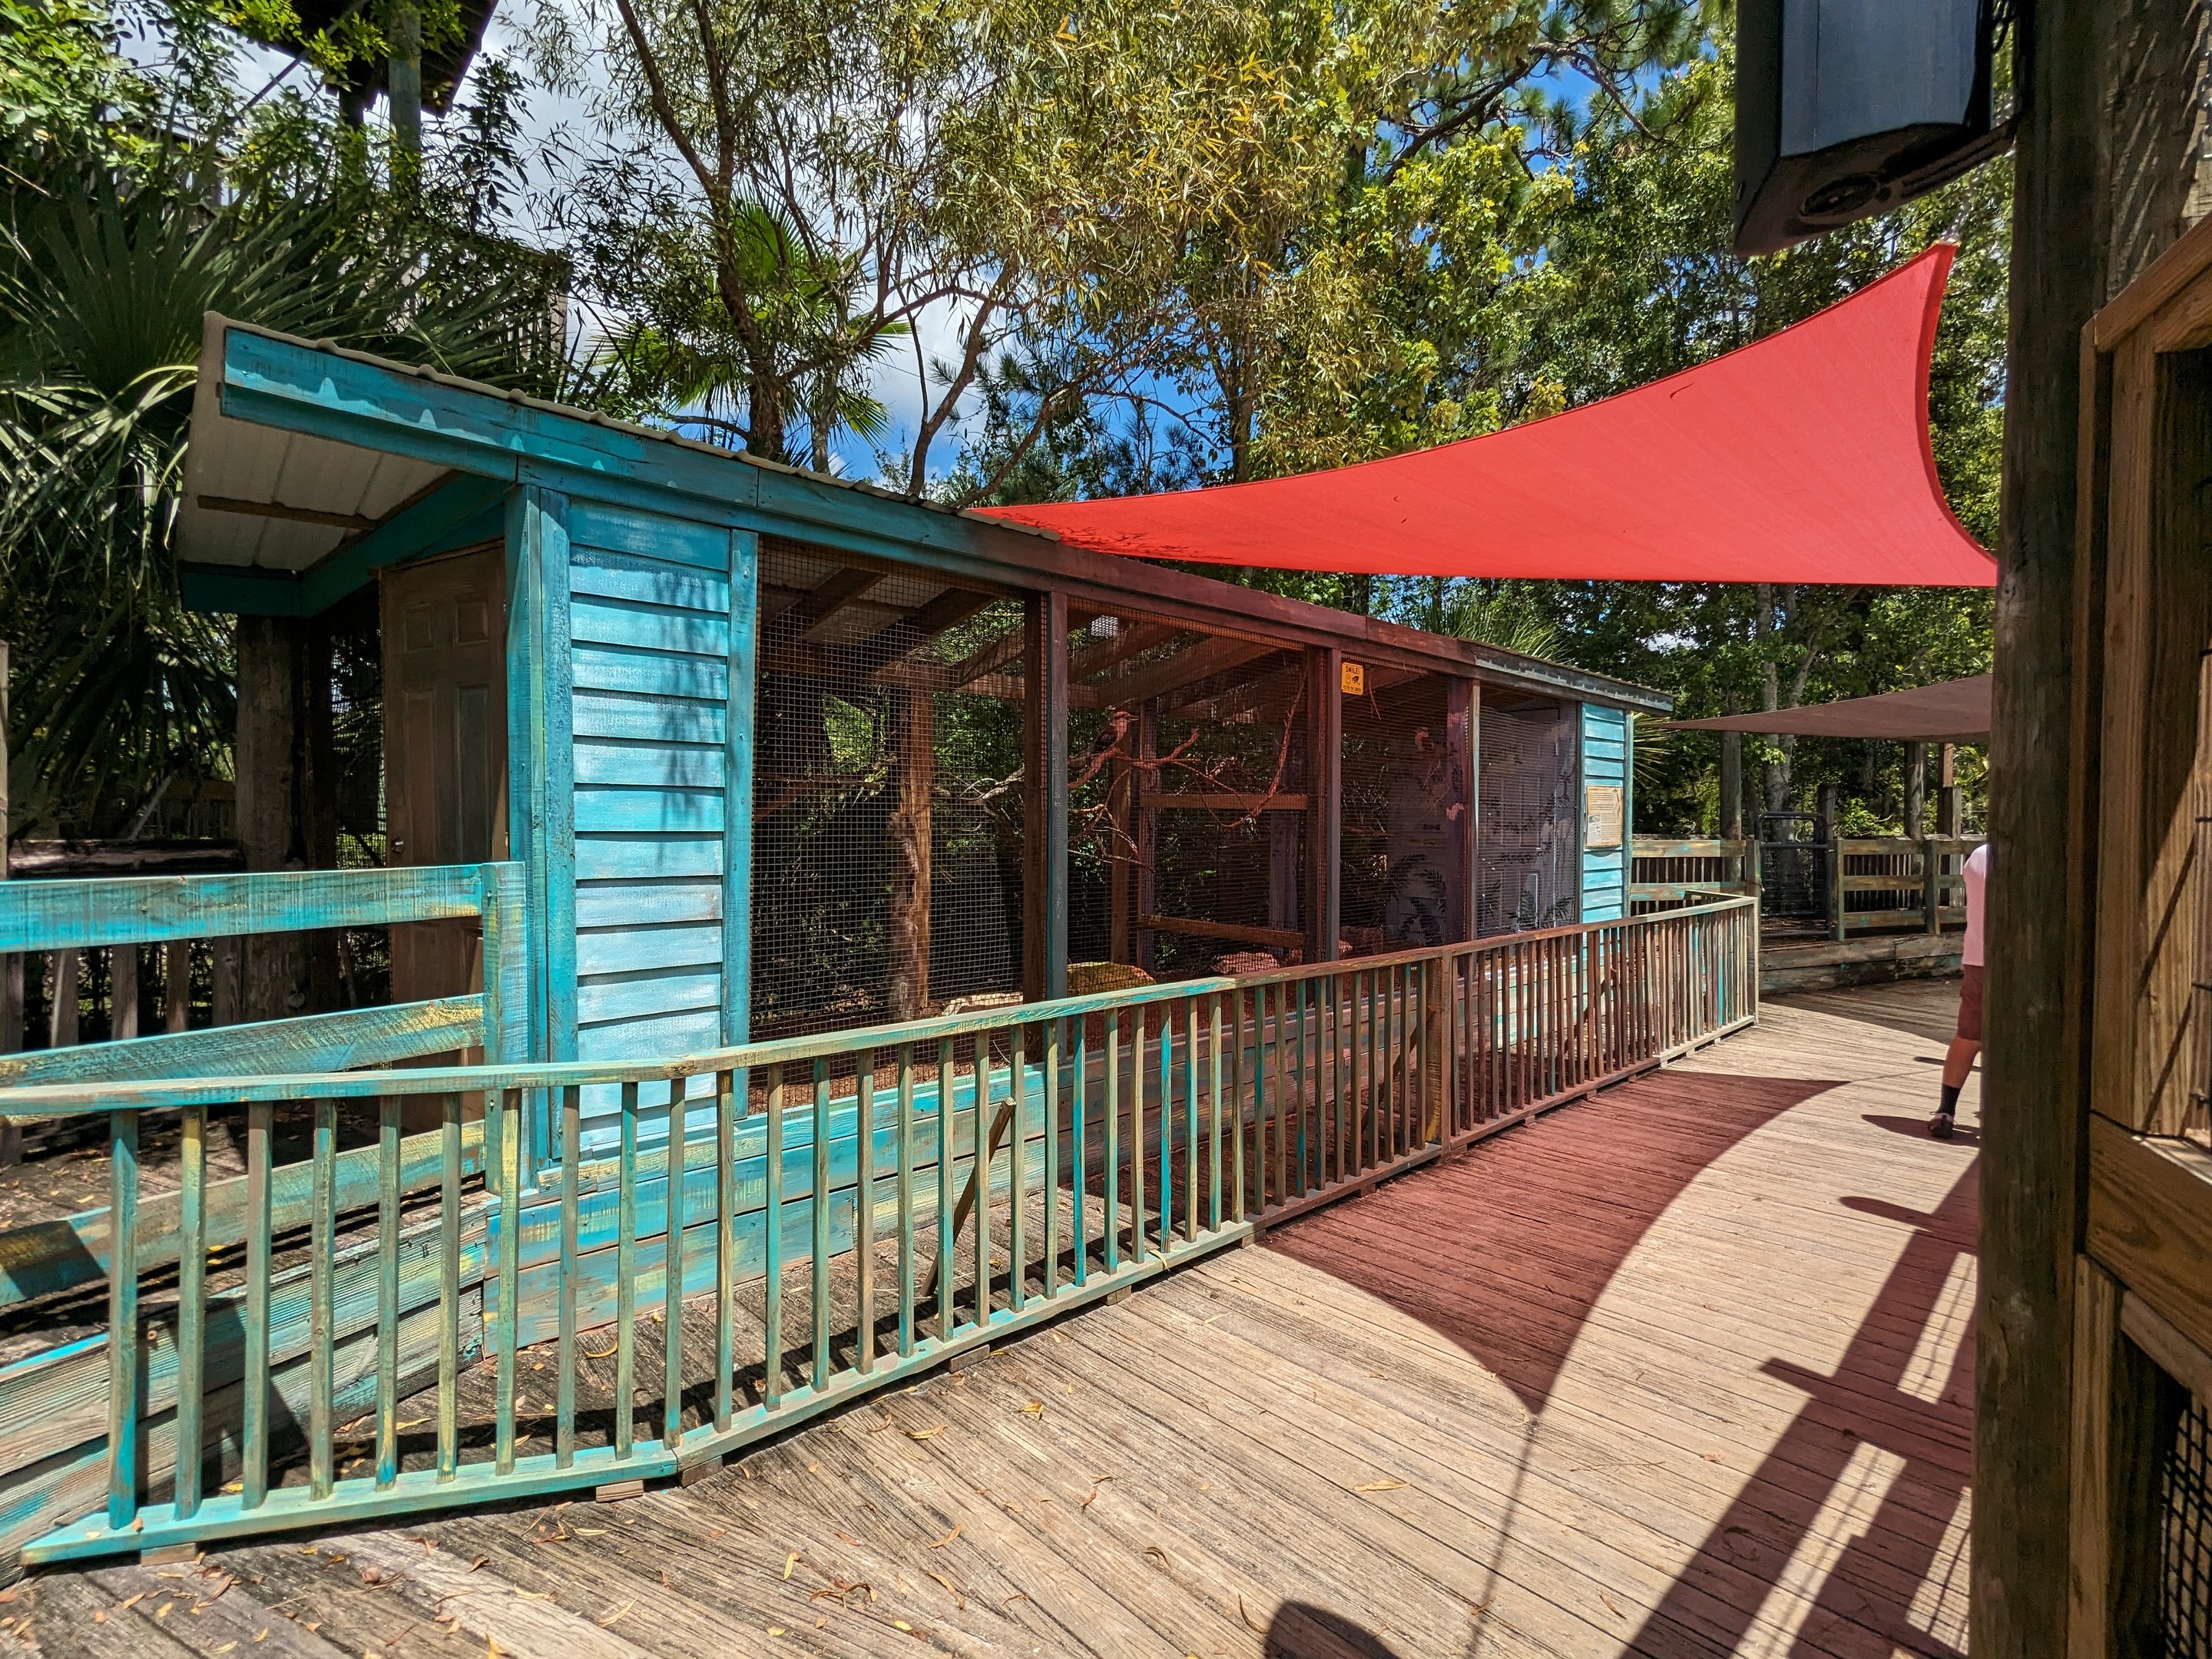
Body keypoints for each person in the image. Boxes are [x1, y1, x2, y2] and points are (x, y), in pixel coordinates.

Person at [1933, 840, 1988, 1138]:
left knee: (1968, 1037)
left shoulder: (1978, 856)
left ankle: (1946, 1111)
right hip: (2024, 961)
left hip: (1978, 957)